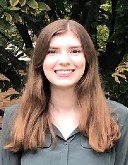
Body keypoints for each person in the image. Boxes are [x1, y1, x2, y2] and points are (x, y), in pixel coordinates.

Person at [0, 19, 128, 165]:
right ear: (40, 60)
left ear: (87, 59)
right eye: (52, 51)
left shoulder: (118, 118)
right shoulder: (15, 118)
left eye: (75, 51)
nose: (64, 60)